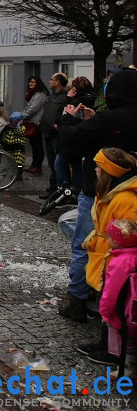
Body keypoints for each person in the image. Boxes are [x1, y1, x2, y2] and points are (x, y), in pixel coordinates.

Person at [56, 69, 137, 325]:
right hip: (130, 193)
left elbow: (72, 139)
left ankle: (77, 300)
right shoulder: (121, 118)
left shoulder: (112, 117)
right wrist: (93, 120)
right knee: (123, 248)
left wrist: (69, 119)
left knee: (87, 243)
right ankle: (112, 300)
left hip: (100, 192)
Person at [78, 148, 137, 365]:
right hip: (106, 253)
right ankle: (106, 344)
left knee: (115, 303)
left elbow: (127, 233)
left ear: (108, 171)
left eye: (98, 166)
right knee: (104, 299)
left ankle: (114, 351)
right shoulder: (112, 193)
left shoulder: (125, 199)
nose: (95, 169)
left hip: (115, 258)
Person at [99, 219, 137, 375]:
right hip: (134, 308)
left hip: (124, 312)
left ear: (115, 241)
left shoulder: (120, 262)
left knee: (128, 344)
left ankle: (128, 371)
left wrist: (105, 312)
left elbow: (111, 291)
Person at [41, 72, 71, 198]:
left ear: (58, 82)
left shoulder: (65, 97)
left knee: (59, 163)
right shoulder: (51, 95)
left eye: (51, 79)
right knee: (51, 162)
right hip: (46, 132)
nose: (49, 81)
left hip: (56, 134)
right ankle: (52, 188)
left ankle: (61, 190)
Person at [23, 76, 49, 175]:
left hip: (36, 123)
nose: (31, 84)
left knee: (37, 145)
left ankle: (37, 166)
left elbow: (33, 109)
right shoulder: (34, 94)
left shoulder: (40, 94)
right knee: (34, 144)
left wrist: (22, 116)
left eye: (33, 82)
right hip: (32, 122)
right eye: (30, 82)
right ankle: (34, 165)